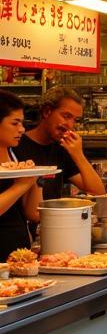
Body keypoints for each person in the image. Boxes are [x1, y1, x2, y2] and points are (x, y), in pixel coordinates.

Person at [12, 85, 106, 198]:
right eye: (66, 116)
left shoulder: (62, 148)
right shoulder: (15, 144)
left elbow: (98, 191)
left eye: (75, 120)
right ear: (47, 111)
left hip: (52, 215)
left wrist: (78, 155)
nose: (70, 125)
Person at [0, 91, 42, 260]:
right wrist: (21, 185)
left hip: (18, 252)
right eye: (15, 123)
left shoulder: (17, 154)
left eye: (22, 123)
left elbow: (33, 213)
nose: (22, 129)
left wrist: (35, 179)